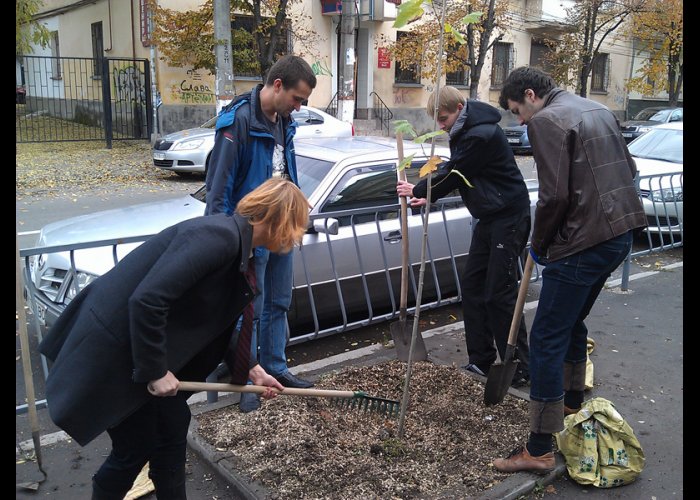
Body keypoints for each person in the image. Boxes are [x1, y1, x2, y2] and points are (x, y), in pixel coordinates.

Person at [38, 178, 309, 499]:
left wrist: (252, 368)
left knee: (170, 430)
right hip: (120, 353)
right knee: (135, 447)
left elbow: (216, 322)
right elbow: (148, 299)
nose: (297, 238)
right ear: (278, 220)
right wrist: (154, 370)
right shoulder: (216, 238)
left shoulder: (236, 246)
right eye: (297, 227)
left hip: (138, 352)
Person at [493, 66, 646, 474]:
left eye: (517, 111)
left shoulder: (547, 120)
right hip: (619, 234)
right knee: (572, 321)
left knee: (545, 336)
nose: (521, 121)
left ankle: (540, 448)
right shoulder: (596, 108)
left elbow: (553, 197)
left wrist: (539, 243)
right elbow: (629, 172)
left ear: (530, 95)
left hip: (583, 243)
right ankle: (574, 408)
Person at [396, 85, 531, 388]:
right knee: (472, 286)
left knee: (499, 292)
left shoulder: (479, 135)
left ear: (459, 108)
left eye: (442, 119)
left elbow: (455, 173)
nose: (440, 125)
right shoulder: (467, 130)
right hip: (489, 215)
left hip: (509, 216)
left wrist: (418, 189)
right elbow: (470, 177)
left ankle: (521, 364)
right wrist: (427, 198)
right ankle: (481, 359)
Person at [204, 55, 318, 413]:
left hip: (282, 228)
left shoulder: (285, 122)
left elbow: (286, 172)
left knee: (279, 302)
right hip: (251, 234)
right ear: (278, 85)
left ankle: (276, 369)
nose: (298, 108)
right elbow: (218, 188)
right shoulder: (238, 120)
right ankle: (248, 382)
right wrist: (222, 240)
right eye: (297, 99)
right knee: (248, 309)